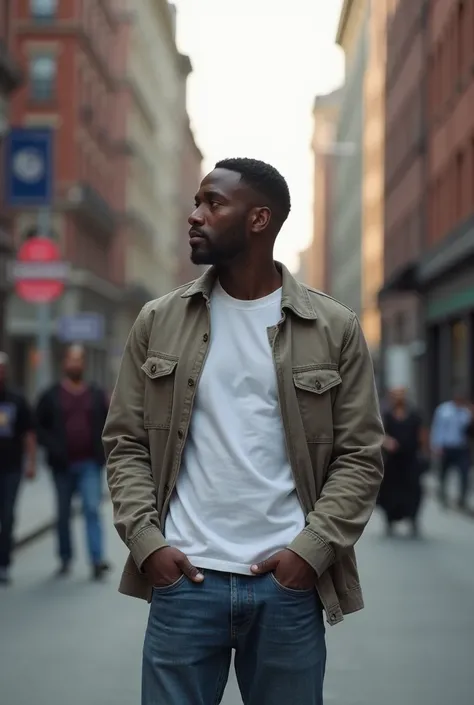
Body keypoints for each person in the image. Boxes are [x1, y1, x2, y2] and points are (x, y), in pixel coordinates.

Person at [103, 158, 384, 705]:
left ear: (259, 219)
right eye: (196, 202)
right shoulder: (158, 321)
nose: (194, 215)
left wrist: (310, 552)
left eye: (213, 203)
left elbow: (360, 456)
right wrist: (147, 543)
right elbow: (125, 443)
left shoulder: (334, 328)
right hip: (184, 581)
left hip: (288, 586)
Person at [36, 345, 110, 580]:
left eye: (79, 360)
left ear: (84, 364)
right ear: (64, 364)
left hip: (90, 462)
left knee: (91, 509)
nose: (75, 364)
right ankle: (65, 558)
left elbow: (109, 423)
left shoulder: (96, 394)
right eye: (71, 360)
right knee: (63, 513)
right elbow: (39, 427)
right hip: (62, 465)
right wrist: (54, 448)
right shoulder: (50, 396)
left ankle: (97, 560)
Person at [0, 352, 36, 584]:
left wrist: (31, 462)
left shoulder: (16, 399)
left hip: (11, 467)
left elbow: (28, 433)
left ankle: (3, 563)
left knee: (8, 515)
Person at [377, 387, 426, 537]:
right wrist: (387, 441)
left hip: (410, 460)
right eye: (395, 395)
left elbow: (422, 434)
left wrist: (425, 452)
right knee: (390, 492)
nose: (398, 397)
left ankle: (413, 519)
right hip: (393, 462)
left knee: (413, 491)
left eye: (401, 394)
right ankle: (390, 520)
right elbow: (379, 434)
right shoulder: (386, 415)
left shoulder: (414, 415)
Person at [430, 389, 473, 509]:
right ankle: (443, 496)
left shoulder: (466, 412)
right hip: (446, 447)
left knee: (464, 474)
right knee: (444, 474)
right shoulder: (444, 410)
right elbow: (437, 428)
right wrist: (436, 445)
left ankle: (462, 499)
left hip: (461, 447)